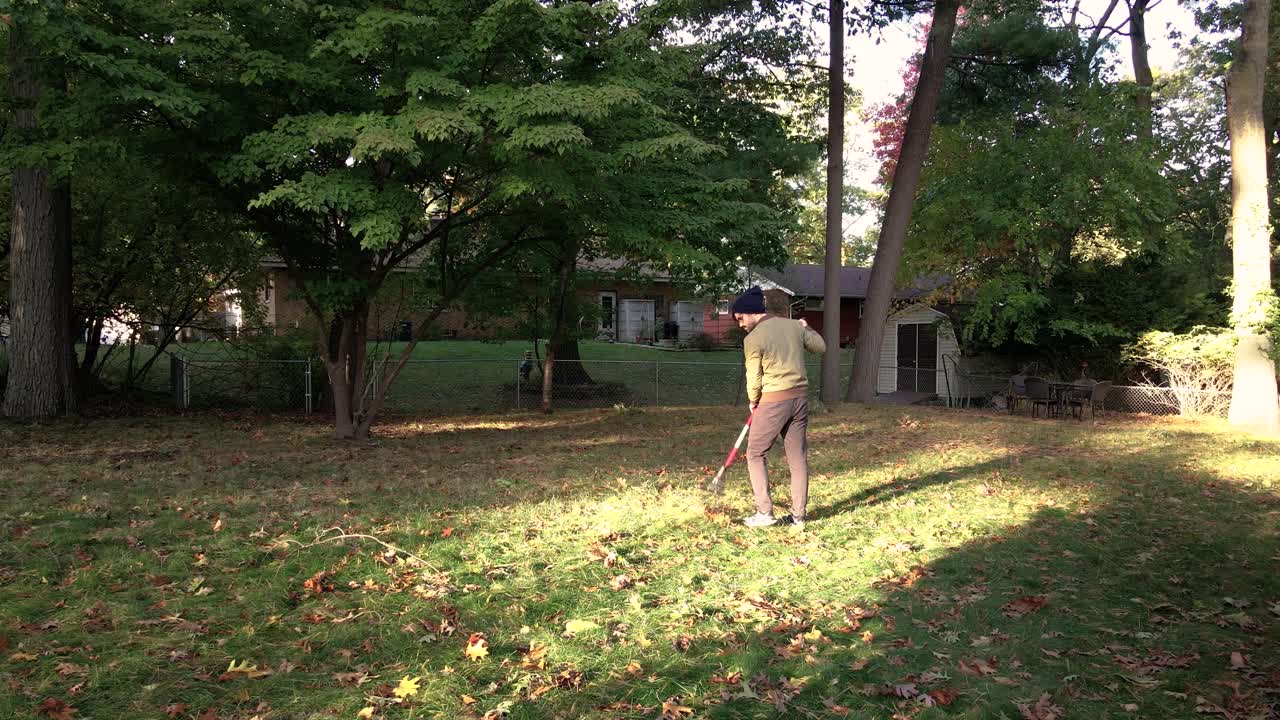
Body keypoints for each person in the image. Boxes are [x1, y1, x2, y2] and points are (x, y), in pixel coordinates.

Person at [731, 286, 826, 530]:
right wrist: (807, 327)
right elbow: (820, 347)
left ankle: (764, 512)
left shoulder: (753, 338)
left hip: (774, 400)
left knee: (755, 453)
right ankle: (798, 517)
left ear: (752, 313)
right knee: (797, 457)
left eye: (740, 318)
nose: (740, 324)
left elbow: (754, 376)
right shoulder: (794, 326)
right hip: (800, 399)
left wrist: (753, 401)